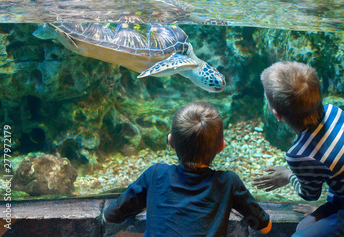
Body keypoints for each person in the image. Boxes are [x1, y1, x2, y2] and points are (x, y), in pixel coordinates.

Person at [252, 61, 344, 236]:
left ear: (276, 114)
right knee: (302, 227)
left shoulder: (300, 154)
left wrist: (288, 175)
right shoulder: (334, 111)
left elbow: (309, 194)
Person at [104, 101, 272, 236]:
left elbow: (110, 215)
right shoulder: (228, 182)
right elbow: (265, 227)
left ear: (170, 141)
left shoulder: (156, 174)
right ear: (221, 147)